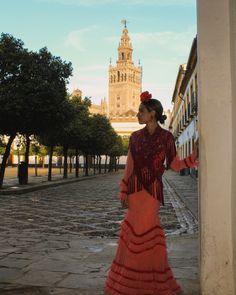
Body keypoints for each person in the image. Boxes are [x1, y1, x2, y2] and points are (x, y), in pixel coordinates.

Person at [104, 91, 199, 295]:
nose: (138, 115)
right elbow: (129, 166)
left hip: (153, 194)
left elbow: (174, 164)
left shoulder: (167, 137)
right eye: (138, 111)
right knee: (134, 236)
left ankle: (148, 284)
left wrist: (193, 158)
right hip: (135, 192)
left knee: (147, 234)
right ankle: (131, 283)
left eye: (141, 111)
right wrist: (123, 191)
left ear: (152, 114)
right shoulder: (135, 137)